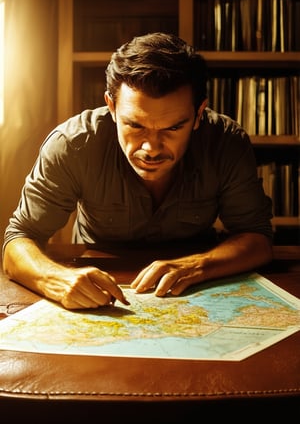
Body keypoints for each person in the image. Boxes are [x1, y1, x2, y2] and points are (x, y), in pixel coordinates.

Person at [2, 32, 273, 310]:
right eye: (135, 125)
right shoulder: (73, 145)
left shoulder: (226, 142)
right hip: (97, 290)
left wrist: (197, 265)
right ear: (111, 106)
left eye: (173, 128)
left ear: (199, 113)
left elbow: (257, 238)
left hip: (195, 288)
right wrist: (56, 279)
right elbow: (18, 239)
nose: (151, 148)